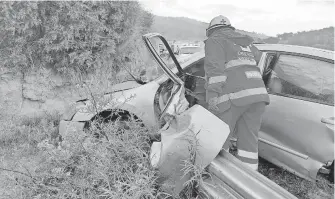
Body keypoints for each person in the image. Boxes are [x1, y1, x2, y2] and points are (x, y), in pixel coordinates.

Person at [204, 15, 270, 171]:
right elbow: (260, 63)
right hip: (258, 96)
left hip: (234, 97)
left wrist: (212, 97)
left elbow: (215, 72)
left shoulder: (215, 40)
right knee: (249, 142)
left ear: (212, 30)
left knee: (221, 137)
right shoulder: (246, 43)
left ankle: (219, 173)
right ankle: (249, 177)